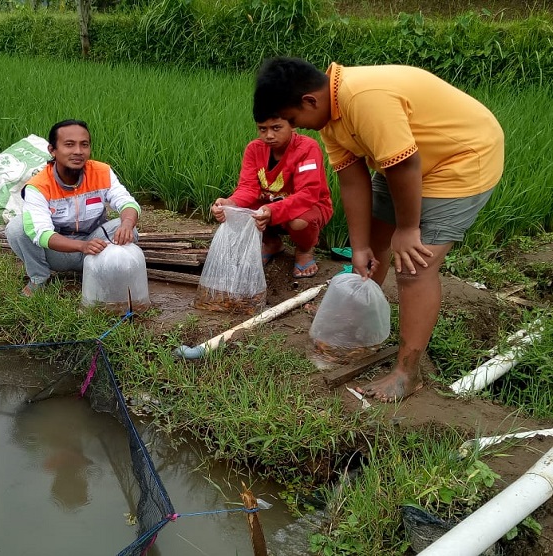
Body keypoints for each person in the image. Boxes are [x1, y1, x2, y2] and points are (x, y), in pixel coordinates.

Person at [253, 57, 504, 402]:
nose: (300, 128)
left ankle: (406, 373)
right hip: (405, 158)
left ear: (309, 101)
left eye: (294, 120)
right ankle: (357, 309)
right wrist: (359, 247)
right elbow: (353, 181)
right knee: (374, 244)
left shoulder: (363, 98)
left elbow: (405, 165)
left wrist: (407, 228)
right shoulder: (330, 115)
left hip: (461, 158)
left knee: (415, 265)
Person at [6, 120, 142, 296]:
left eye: (84, 145)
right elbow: (41, 233)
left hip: (96, 245)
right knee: (17, 227)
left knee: (128, 230)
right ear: (52, 150)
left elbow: (126, 202)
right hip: (59, 252)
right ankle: (39, 277)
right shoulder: (38, 186)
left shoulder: (102, 172)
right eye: (69, 145)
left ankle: (98, 271)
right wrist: (81, 246)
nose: (78, 151)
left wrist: (127, 224)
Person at [211, 117, 332, 278]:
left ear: (292, 125)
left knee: (299, 222)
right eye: (262, 129)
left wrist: (272, 210)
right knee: (238, 211)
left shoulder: (307, 148)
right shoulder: (254, 149)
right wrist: (229, 203)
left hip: (307, 207)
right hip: (269, 205)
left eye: (276, 128)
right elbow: (247, 188)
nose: (268, 135)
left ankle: (304, 250)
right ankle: (271, 243)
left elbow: (307, 194)